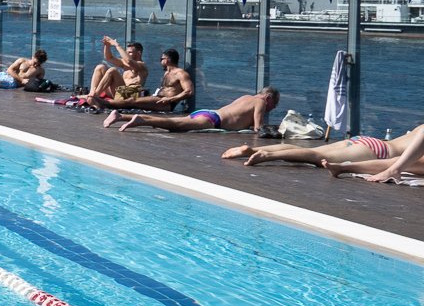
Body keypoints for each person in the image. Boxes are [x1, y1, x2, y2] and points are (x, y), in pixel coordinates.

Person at [224, 122, 424, 168]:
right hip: (379, 151)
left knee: (308, 150)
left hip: (368, 140)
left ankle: (255, 149)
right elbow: (412, 162)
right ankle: (268, 156)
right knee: (316, 158)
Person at [113, 87, 279, 134]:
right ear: (268, 98)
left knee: (176, 123)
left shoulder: (246, 97)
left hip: (207, 113)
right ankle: (139, 121)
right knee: (174, 125)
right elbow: (258, 128)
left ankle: (121, 116)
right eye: (274, 104)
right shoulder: (260, 103)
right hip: (213, 120)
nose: (272, 108)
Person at [102, 49, 193, 124]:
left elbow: (189, 91)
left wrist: (171, 99)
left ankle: (103, 103)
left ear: (168, 59)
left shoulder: (181, 73)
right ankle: (109, 106)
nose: (160, 61)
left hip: (166, 103)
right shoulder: (167, 73)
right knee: (135, 103)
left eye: (162, 58)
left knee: (133, 100)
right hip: (159, 98)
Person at [321, 125, 424, 183]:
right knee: (396, 163)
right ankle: (343, 168)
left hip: (371, 142)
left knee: (313, 154)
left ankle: (343, 168)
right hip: (380, 150)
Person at [84, 37, 149, 104]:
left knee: (113, 70)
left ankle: (95, 96)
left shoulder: (141, 66)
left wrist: (117, 45)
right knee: (100, 67)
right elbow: (109, 58)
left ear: (139, 53)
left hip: (128, 95)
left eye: (130, 52)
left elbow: (129, 61)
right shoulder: (125, 64)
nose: (127, 54)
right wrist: (107, 45)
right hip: (118, 91)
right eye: (126, 52)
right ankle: (92, 93)